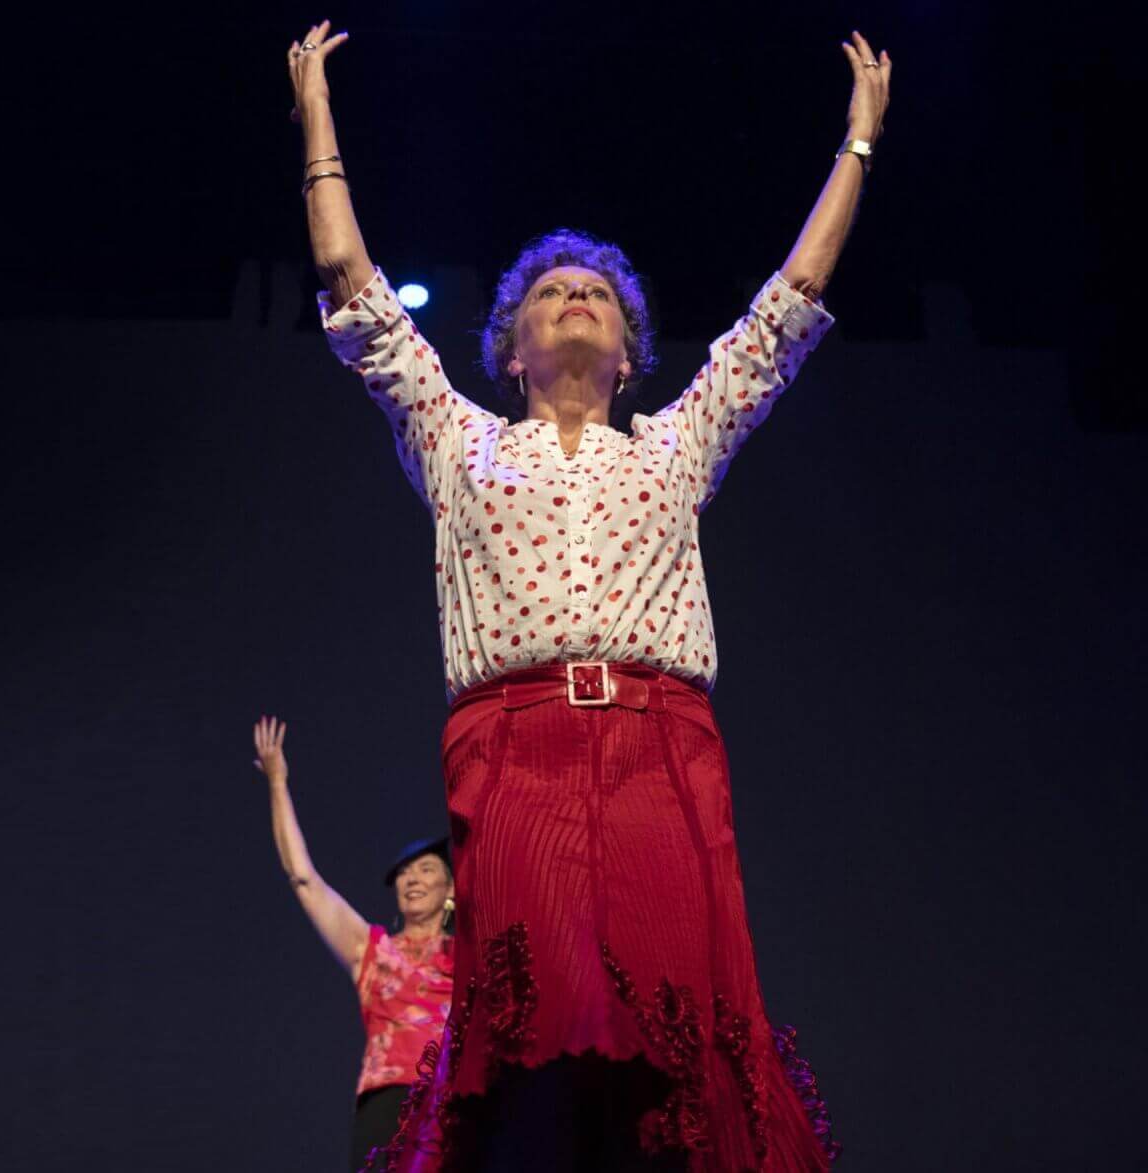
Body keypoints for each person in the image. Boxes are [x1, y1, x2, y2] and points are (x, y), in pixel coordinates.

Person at [282, 18, 889, 1172]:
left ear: (627, 352)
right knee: (534, 1038)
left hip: (662, 747)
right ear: (509, 350)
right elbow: (353, 290)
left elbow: (788, 306)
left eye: (597, 292)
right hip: (514, 751)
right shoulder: (457, 440)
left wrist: (857, 141)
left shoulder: (674, 445)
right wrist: (316, 116)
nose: (576, 296)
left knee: (679, 1030)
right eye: (551, 291)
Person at [252, 716, 452, 1170]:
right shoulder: (375, 951)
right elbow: (304, 878)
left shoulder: (471, 955)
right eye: (403, 874)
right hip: (388, 1102)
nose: (412, 879)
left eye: (425, 870)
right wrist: (278, 783)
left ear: (449, 889)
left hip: (453, 1101)